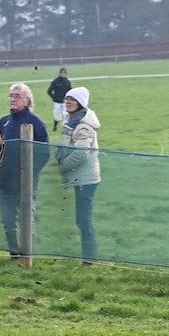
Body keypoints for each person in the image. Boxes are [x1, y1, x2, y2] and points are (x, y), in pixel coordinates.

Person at [0, 82, 50, 260]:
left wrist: (29, 173)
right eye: (11, 95)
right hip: (5, 182)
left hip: (26, 182)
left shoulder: (36, 124)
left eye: (17, 96)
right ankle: (14, 254)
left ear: (27, 100)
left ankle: (28, 254)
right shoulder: (3, 122)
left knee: (26, 217)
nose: (12, 99)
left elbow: (44, 154)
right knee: (8, 220)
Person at [54, 86, 101, 264]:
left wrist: (63, 166)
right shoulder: (72, 121)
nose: (67, 102)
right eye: (66, 99)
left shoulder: (82, 125)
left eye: (71, 99)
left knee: (83, 218)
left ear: (80, 103)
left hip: (86, 179)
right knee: (82, 218)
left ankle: (89, 259)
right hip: (80, 178)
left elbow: (81, 154)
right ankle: (89, 258)